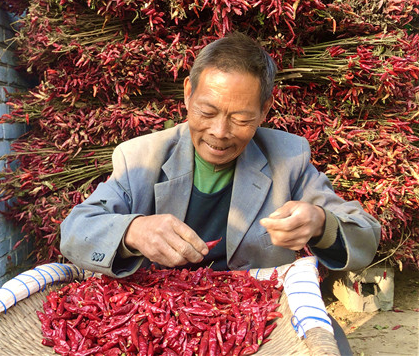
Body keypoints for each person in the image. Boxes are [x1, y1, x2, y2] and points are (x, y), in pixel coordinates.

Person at [60, 32, 381, 279]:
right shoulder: (140, 157)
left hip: (256, 311)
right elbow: (76, 229)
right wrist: (133, 232)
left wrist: (321, 224)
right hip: (161, 313)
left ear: (264, 110)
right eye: (207, 111)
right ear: (188, 93)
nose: (220, 131)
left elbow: (365, 232)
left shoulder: (289, 158)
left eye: (241, 119)